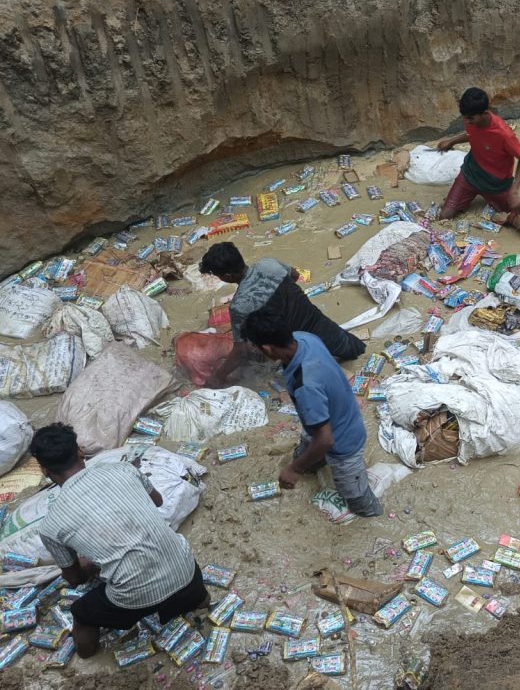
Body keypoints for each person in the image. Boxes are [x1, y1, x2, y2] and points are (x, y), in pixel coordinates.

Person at [29, 423, 209, 658]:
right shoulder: (123, 469)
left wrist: (91, 563)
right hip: (186, 570)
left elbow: (74, 579)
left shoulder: (51, 525)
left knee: (81, 614)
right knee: (194, 593)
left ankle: (87, 658)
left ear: (44, 470)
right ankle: (202, 602)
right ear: (80, 451)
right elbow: (157, 501)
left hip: (134, 597)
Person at [242, 308, 382, 517]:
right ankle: (311, 461)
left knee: (356, 497)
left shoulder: (306, 385)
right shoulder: (304, 339)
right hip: (329, 416)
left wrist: (294, 469)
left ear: (268, 349)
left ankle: (370, 512)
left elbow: (325, 440)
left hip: (344, 442)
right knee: (307, 449)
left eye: (255, 347)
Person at [199, 242, 365, 384]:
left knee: (311, 381)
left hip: (296, 349)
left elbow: (240, 351)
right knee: (357, 353)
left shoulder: (239, 306)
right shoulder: (269, 264)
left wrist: (219, 375)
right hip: (323, 326)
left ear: (227, 276)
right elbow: (295, 275)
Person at [437, 87, 520, 221]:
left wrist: (514, 191)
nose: (467, 122)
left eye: (471, 118)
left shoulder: (503, 134)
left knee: (516, 215)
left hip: (496, 184)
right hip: (470, 174)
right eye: (465, 117)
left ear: (484, 113)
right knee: (445, 216)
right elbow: (472, 134)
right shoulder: (471, 120)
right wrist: (452, 141)